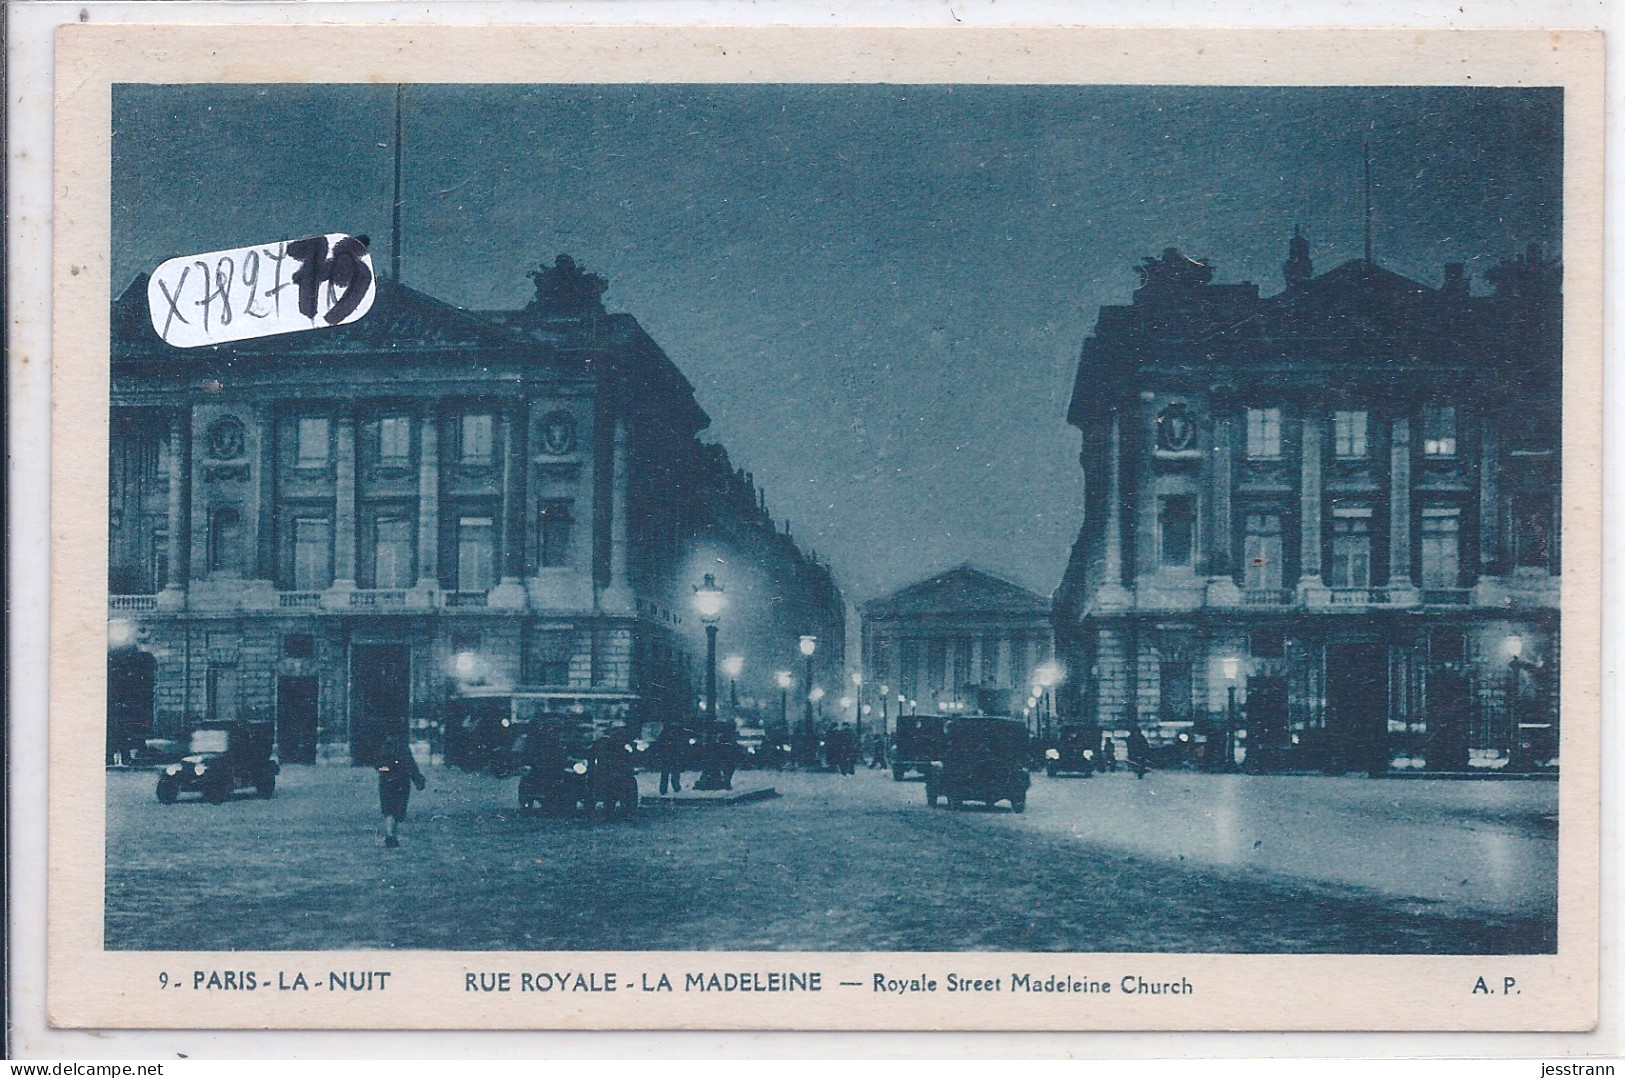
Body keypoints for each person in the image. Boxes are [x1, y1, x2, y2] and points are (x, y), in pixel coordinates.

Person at [376, 735, 426, 848]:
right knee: (397, 810)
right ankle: (391, 836)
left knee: (388, 810)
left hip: (386, 782)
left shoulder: (383, 749)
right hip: (401, 782)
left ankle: (391, 835)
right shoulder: (403, 749)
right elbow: (411, 766)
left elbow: (378, 766)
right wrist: (417, 779)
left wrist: (387, 770)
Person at [655, 719, 688, 795]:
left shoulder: (666, 732)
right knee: (673, 773)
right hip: (672, 755)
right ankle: (675, 788)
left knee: (667, 773)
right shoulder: (676, 733)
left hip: (668, 755)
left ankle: (665, 789)